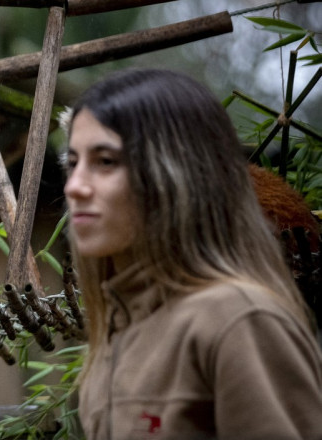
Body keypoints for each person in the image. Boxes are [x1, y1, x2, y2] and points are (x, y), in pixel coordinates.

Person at [61, 68, 322, 439]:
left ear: (174, 173)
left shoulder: (237, 320)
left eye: (105, 161)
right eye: (72, 163)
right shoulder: (117, 332)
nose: (74, 186)